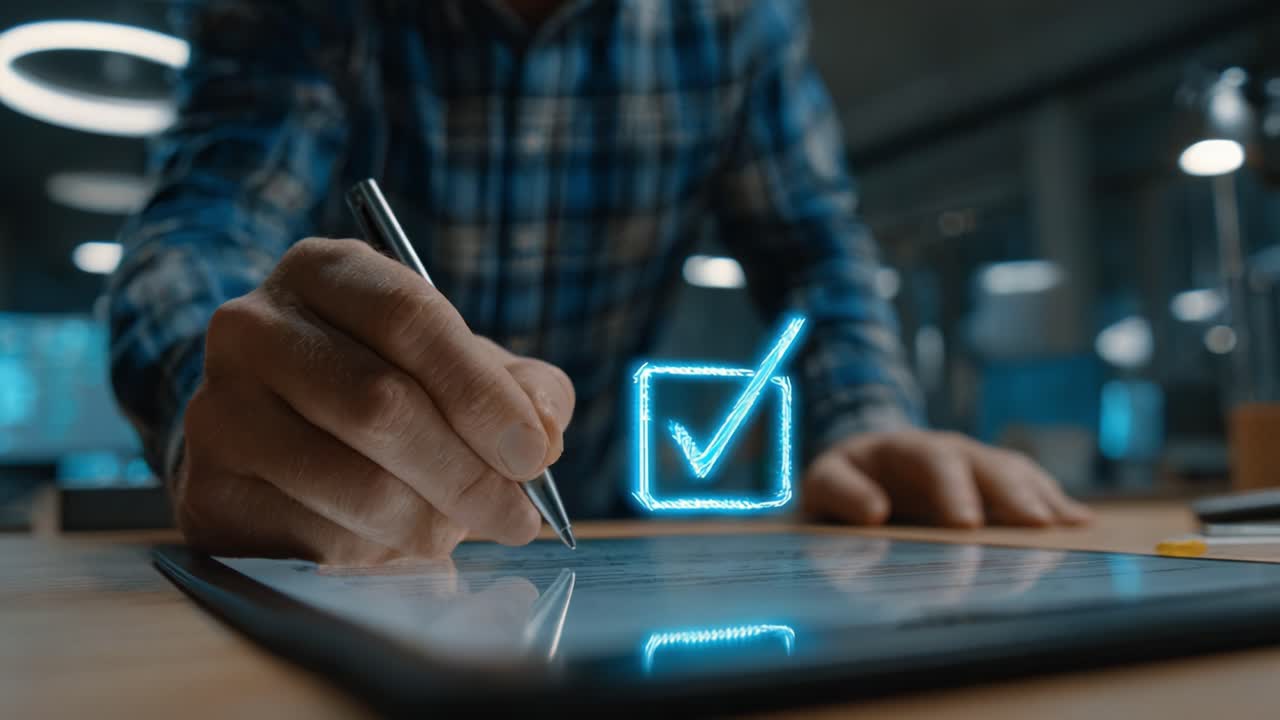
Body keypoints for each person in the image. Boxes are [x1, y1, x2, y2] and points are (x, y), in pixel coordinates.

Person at [107, 0, 1090, 564]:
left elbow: (813, 255)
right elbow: (198, 235)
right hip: (349, 535)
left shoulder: (734, 23)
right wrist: (212, 386)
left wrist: (864, 421)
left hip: (605, 534)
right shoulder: (311, 14)